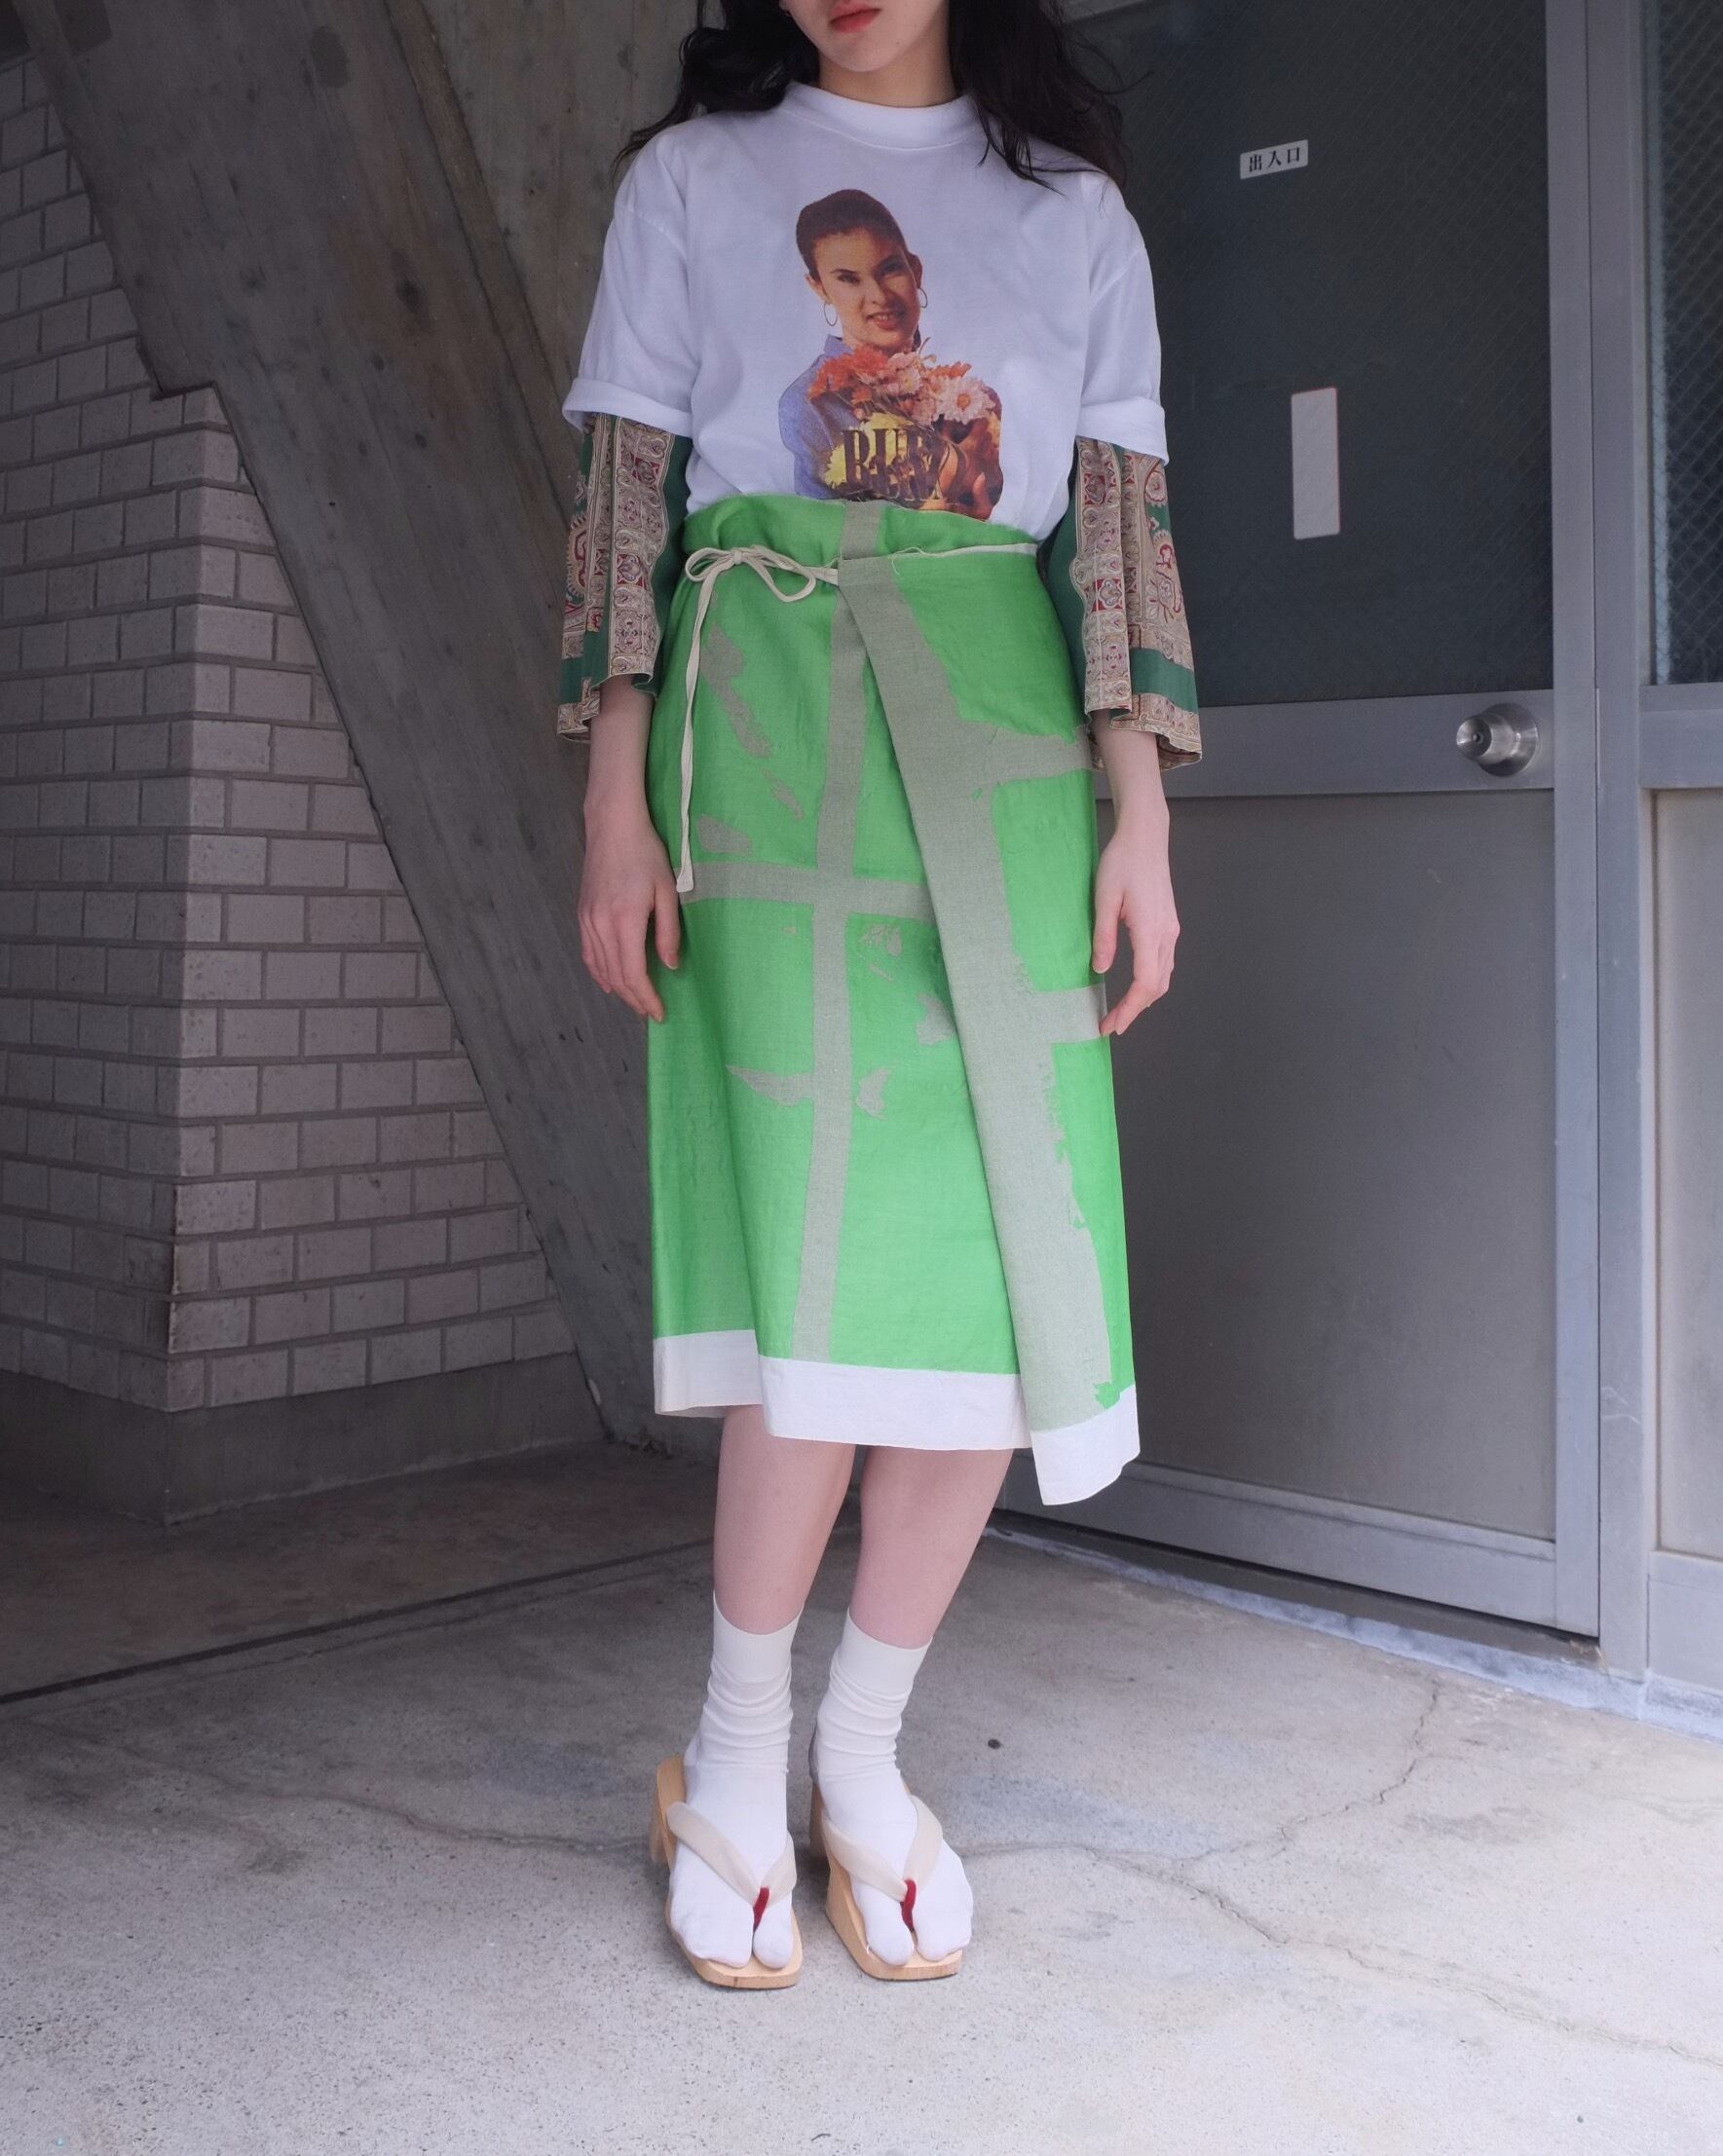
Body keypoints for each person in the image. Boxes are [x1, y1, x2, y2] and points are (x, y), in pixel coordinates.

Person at [557, 0, 1200, 1989]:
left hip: (1004, 753)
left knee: (995, 1280)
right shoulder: (689, 183)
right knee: (816, 1260)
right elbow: (624, 504)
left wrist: (1141, 816)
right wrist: (610, 797)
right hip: (759, 739)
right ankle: (732, 1759)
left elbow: (1112, 540)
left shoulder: (1073, 214)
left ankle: (861, 1753)